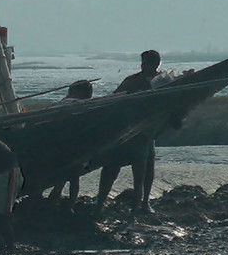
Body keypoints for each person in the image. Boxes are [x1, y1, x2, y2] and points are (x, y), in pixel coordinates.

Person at [95, 50, 162, 215]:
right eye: (143, 63)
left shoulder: (162, 81)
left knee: (145, 170)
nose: (143, 66)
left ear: (156, 64)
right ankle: (99, 204)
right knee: (111, 168)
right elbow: (115, 98)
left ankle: (143, 204)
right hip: (125, 131)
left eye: (146, 63)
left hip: (146, 133)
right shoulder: (132, 81)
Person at [48, 80, 93, 210]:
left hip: (64, 146)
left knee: (64, 175)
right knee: (74, 177)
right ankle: (69, 203)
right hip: (79, 147)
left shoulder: (70, 103)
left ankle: (56, 196)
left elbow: (51, 110)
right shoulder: (89, 105)